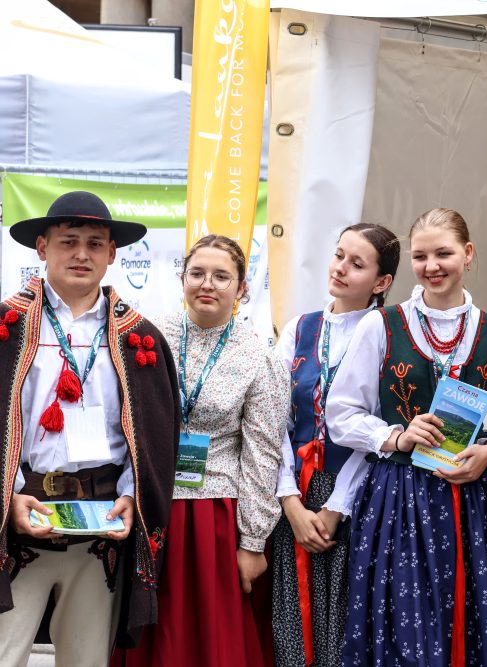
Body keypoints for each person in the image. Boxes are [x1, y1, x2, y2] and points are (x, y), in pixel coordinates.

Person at [329, 208, 487, 666]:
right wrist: (397, 436)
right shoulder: (381, 325)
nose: (432, 266)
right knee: (403, 627)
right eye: (420, 256)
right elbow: (341, 413)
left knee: (475, 622)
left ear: (468, 254)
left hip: (476, 498)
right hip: (400, 498)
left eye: (444, 254)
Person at [0, 191, 179, 665]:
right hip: (22, 523)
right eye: (69, 241)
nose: (82, 254)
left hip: (102, 530)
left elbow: (155, 437)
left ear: (112, 254)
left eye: (95, 244)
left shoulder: (138, 337)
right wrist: (9, 498)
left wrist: (132, 496)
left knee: (87, 660)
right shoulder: (7, 326)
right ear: (42, 247)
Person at [117, 235, 289, 667]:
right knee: (151, 633)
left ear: (242, 287)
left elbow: (262, 454)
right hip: (150, 505)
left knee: (208, 636)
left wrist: (252, 542)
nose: (207, 284)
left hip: (213, 515)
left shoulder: (258, 357)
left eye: (221, 276)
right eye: (197, 273)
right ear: (183, 279)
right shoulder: (148, 337)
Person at [270, 223, 399, 667]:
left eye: (356, 264)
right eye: (339, 255)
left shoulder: (390, 334)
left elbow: (379, 430)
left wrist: (335, 507)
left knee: (348, 623)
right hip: (297, 493)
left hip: (360, 495)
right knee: (294, 618)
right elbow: (275, 421)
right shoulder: (300, 328)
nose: (340, 268)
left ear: (381, 282)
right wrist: (290, 502)